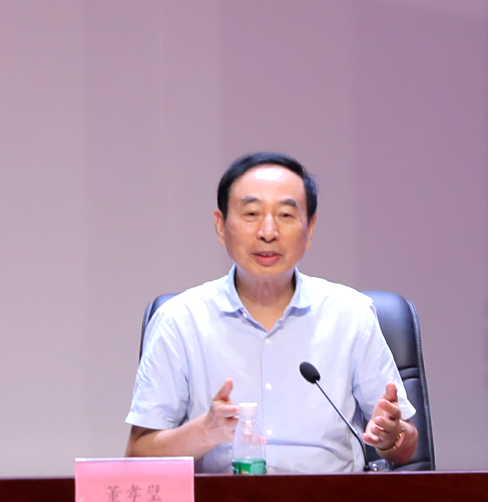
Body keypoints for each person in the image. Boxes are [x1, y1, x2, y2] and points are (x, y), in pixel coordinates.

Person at [125, 152, 418, 473]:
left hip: (330, 500)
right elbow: (138, 455)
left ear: (310, 229)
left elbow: (405, 448)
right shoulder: (180, 320)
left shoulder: (351, 314)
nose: (268, 231)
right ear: (221, 226)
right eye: (251, 213)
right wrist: (206, 431)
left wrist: (391, 436)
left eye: (286, 215)